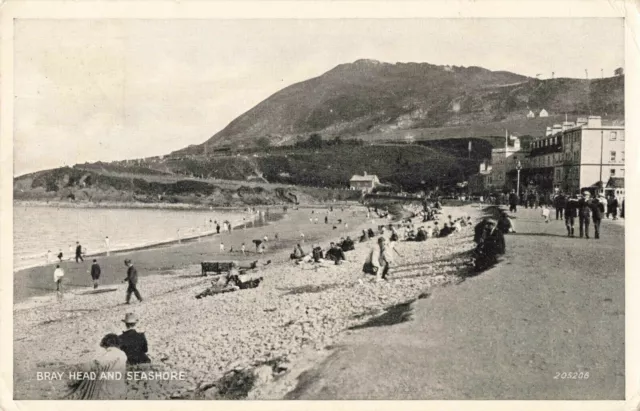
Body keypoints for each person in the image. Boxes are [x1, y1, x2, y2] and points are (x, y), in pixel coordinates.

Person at [65, 333, 127, 399]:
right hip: (119, 387)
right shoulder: (122, 354)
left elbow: (95, 364)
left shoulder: (112, 353)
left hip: (108, 390)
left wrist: (77, 368)